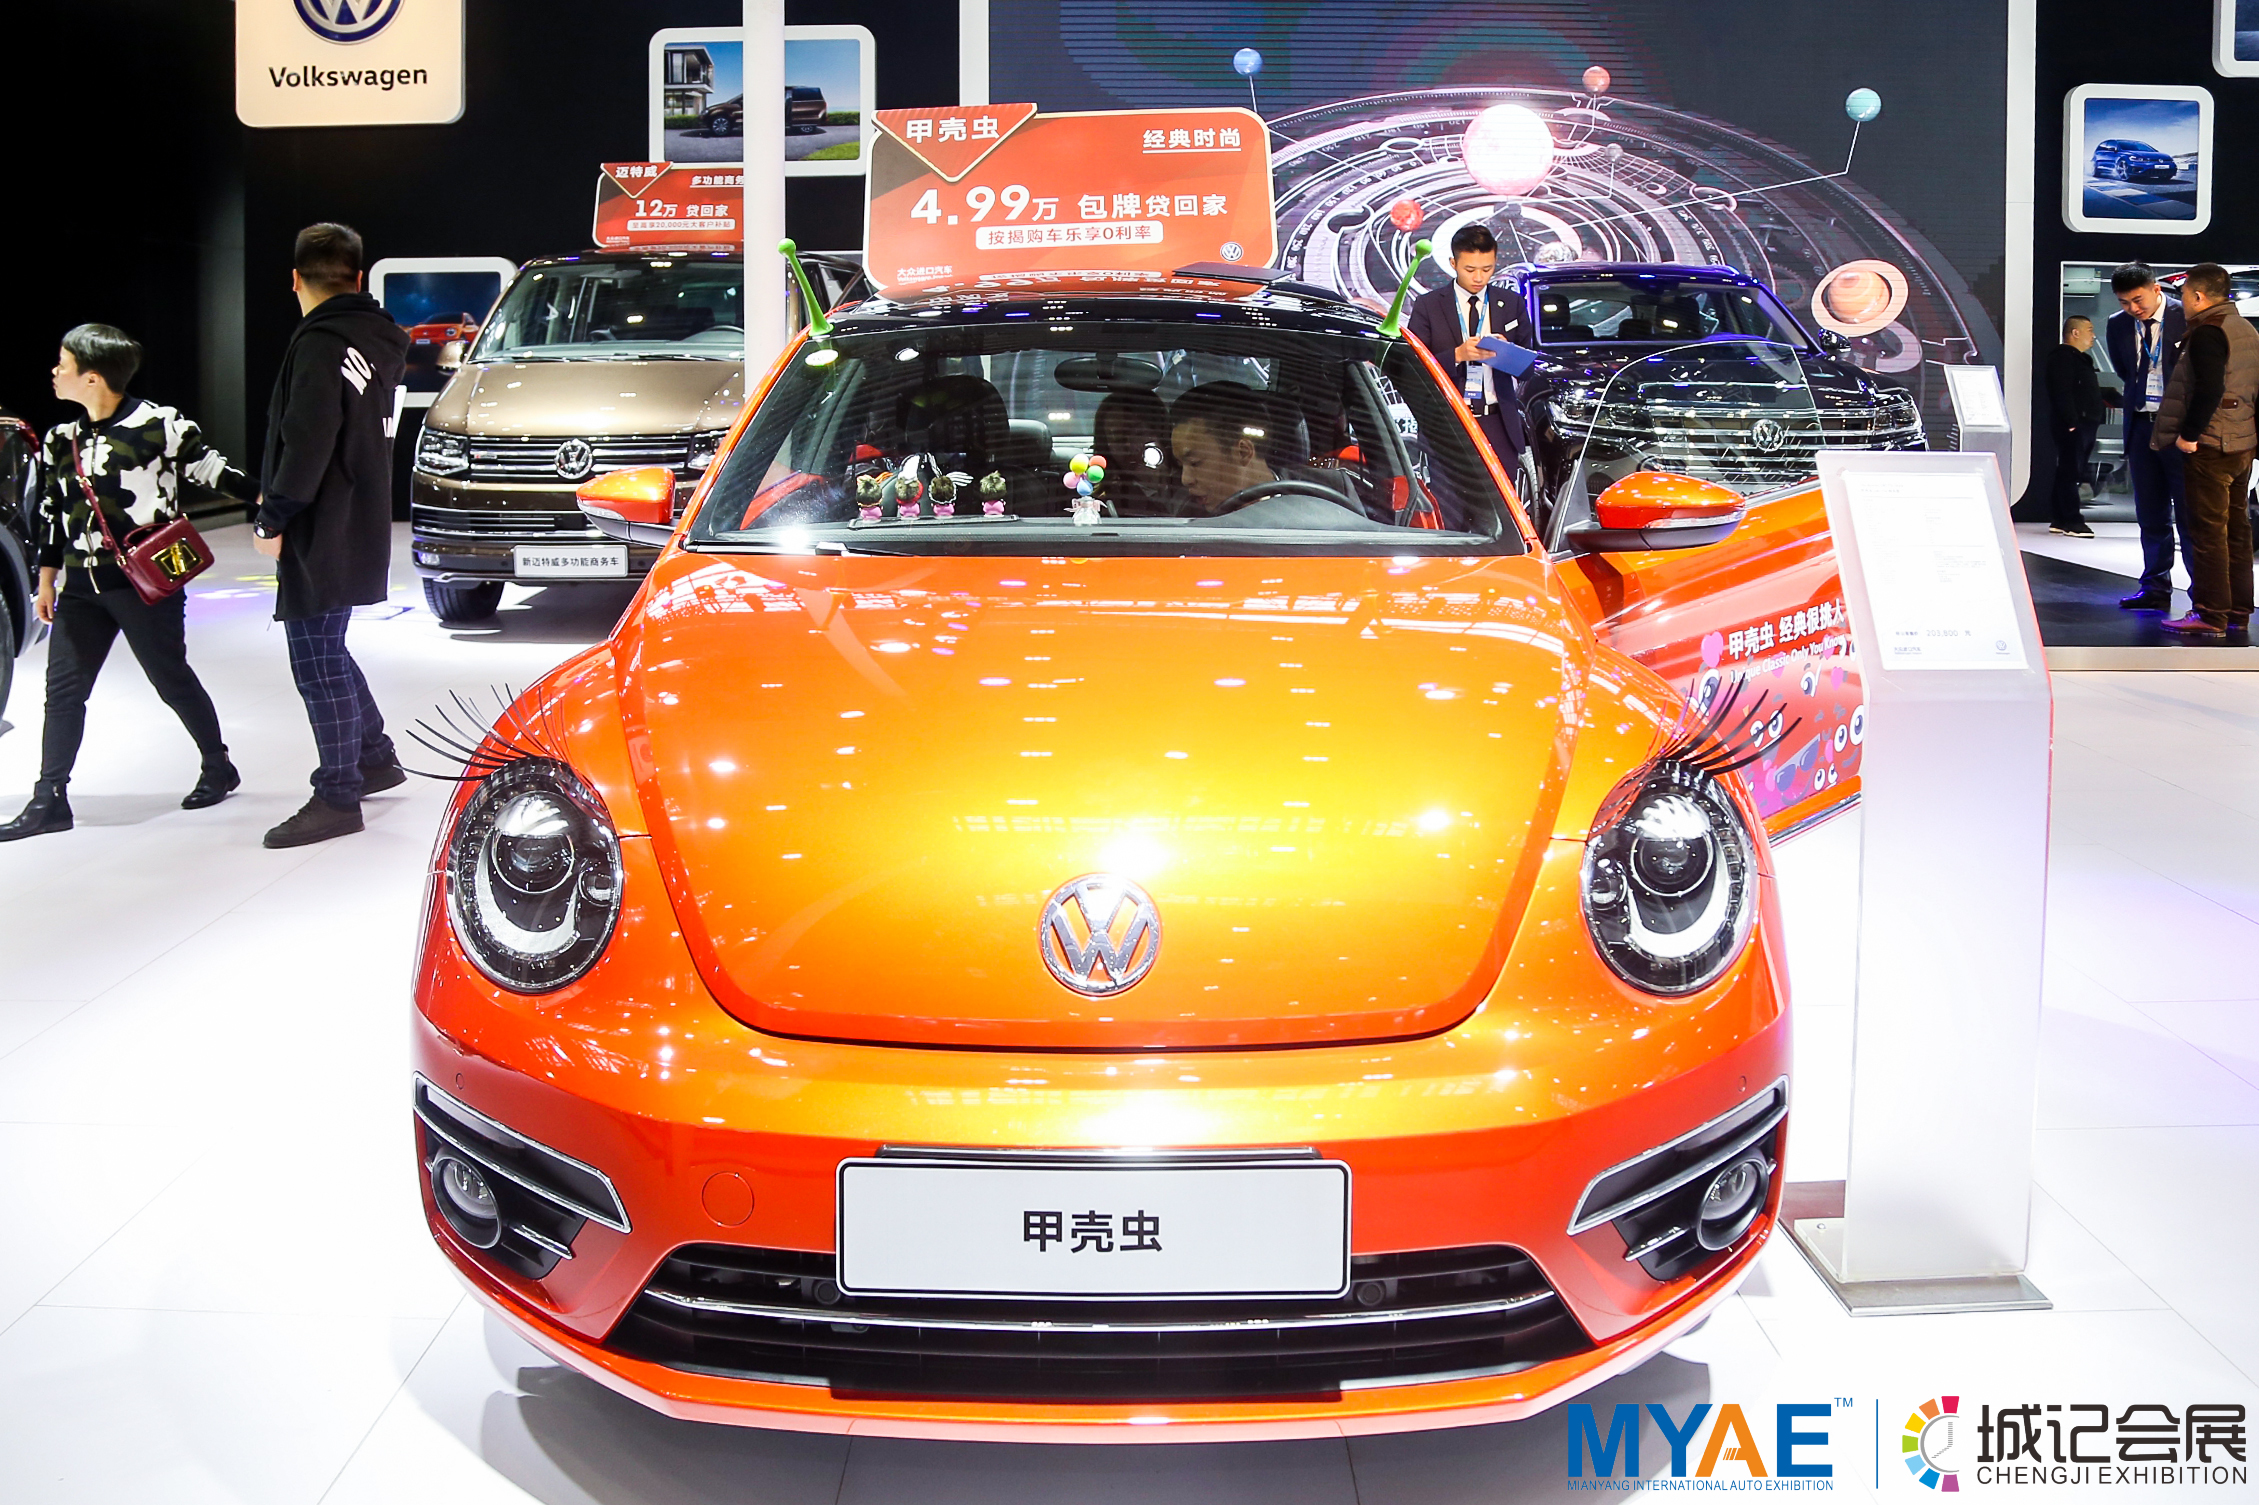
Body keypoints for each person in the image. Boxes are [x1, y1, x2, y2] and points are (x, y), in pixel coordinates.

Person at [0, 325, 255, 841]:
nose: (55, 372)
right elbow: (52, 516)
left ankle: (217, 764)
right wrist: (47, 581)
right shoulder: (60, 440)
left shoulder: (159, 425)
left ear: (92, 377)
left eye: (63, 364)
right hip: (81, 589)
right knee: (63, 692)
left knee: (170, 678)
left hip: (147, 584)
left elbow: (214, 472)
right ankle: (50, 798)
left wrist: (274, 507)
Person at [252, 223, 411, 848]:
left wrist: (274, 515)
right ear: (360, 277)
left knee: (315, 662)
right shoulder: (376, 339)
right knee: (328, 648)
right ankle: (374, 757)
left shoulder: (320, 343)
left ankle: (338, 795)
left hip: (321, 521)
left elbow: (307, 440)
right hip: (358, 515)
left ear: (294, 279)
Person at [2150, 263, 2259, 640]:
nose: (2182, 302)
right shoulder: (2245, 329)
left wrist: (2189, 435)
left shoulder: (2209, 332)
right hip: (2241, 442)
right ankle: (2238, 611)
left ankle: (2210, 614)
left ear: (2198, 296)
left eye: (2184, 295)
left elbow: (2209, 389)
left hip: (2211, 444)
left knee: (2208, 532)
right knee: (2236, 531)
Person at [1406, 224, 1534, 481]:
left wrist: (1507, 353)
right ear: (1453, 263)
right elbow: (1411, 368)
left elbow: (1528, 369)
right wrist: (1457, 355)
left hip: (1498, 423)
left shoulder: (1511, 304)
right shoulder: (1428, 306)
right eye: (1470, 269)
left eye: (1487, 269)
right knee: (1451, 500)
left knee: (1501, 500)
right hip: (1449, 424)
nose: (1478, 278)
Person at [2104, 263, 2190, 610]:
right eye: (2124, 302)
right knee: (2151, 513)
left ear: (2156, 289)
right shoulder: (2117, 324)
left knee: (2190, 514)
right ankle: (2155, 586)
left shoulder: (2187, 316)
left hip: (2180, 428)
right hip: (2141, 425)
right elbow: (2125, 372)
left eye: (2138, 300)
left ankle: (2204, 594)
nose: (2133, 309)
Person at [1169, 382, 1277, 514]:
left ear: (1243, 452)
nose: (1185, 480)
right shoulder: (1187, 515)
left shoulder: (1300, 501)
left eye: (1194, 462)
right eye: (1181, 465)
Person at [2045, 315, 2107, 537]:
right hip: (2075, 424)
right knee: (2071, 472)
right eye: (2089, 330)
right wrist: (2071, 421)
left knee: (2069, 470)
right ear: (2075, 333)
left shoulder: (2080, 360)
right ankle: (2072, 520)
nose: (2093, 336)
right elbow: (2061, 392)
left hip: (2083, 422)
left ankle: (2060, 518)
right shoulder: (2063, 358)